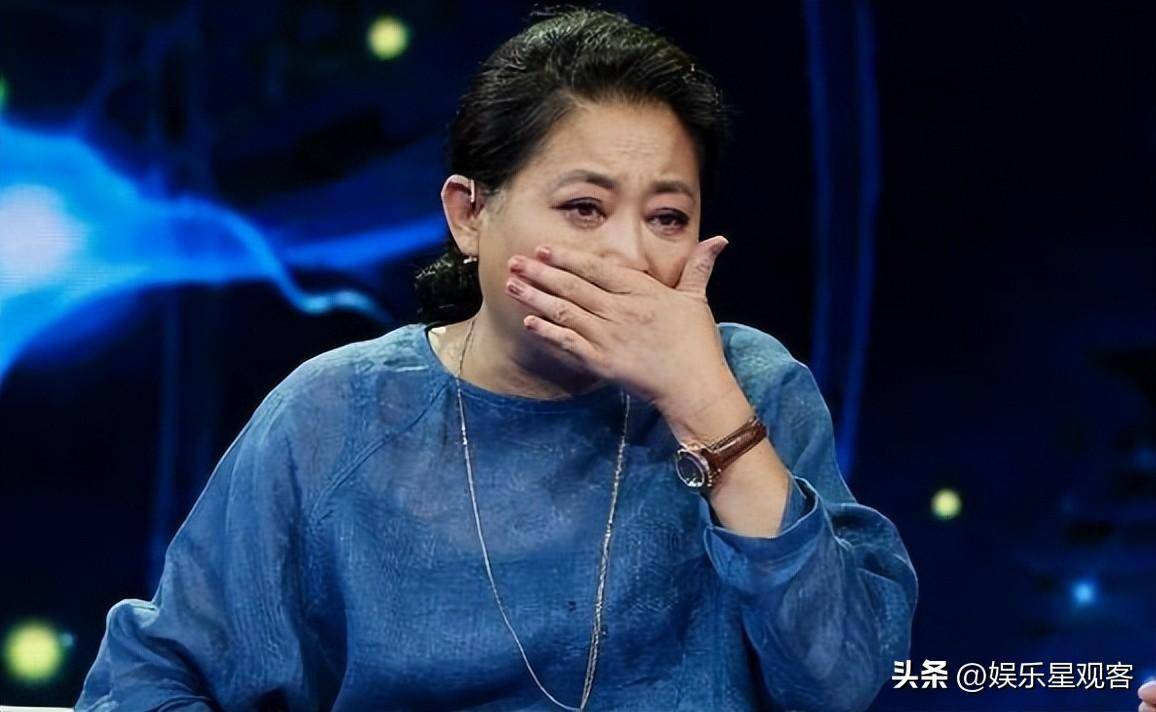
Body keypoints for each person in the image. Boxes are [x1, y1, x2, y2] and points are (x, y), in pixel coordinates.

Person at [76, 7, 917, 711]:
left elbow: (841, 680)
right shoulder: (335, 415)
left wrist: (707, 409)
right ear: (469, 215)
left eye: (668, 217)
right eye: (583, 207)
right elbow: (146, 682)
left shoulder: (749, 386)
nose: (629, 255)